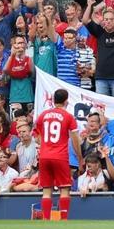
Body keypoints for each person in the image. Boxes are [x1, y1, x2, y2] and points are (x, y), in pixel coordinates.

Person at [34, 87, 81, 221]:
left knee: (47, 190)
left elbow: (36, 132)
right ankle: (63, 219)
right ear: (66, 101)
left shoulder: (43, 115)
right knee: (65, 189)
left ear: (54, 100)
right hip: (60, 156)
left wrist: (43, 144)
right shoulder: (68, 117)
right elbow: (75, 139)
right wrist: (79, 157)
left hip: (44, 156)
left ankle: (46, 219)